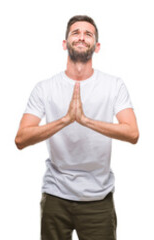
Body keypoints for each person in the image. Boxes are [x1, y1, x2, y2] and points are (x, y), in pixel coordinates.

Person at [14, 15, 139, 240]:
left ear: (97, 46)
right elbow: (21, 138)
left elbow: (132, 133)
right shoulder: (45, 88)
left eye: (88, 34)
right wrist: (65, 120)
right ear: (65, 44)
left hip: (98, 198)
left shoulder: (113, 85)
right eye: (75, 32)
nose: (81, 37)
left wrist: (86, 120)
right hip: (55, 195)